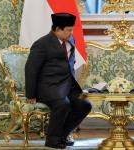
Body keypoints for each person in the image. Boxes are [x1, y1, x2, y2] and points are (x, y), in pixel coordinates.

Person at [25, 13, 92, 149]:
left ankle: (62, 135)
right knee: (63, 104)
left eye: (72, 29)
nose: (71, 33)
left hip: (68, 85)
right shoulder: (41, 44)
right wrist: (30, 94)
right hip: (48, 86)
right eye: (68, 30)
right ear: (57, 29)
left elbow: (70, 63)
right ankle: (52, 140)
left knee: (85, 104)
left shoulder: (71, 40)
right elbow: (31, 70)